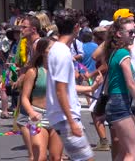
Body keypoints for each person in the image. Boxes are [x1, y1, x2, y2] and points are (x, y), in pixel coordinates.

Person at [46, 9, 94, 161]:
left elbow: (66, 87)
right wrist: (72, 122)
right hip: (66, 118)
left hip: (62, 117)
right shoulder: (62, 52)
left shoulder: (57, 50)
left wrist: (91, 88)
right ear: (76, 28)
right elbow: (60, 91)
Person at [104, 17, 135, 161]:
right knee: (132, 151)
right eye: (130, 32)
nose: (133, 35)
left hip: (115, 102)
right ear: (118, 34)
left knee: (123, 151)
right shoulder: (123, 53)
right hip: (120, 101)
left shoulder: (114, 53)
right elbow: (131, 83)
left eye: (134, 32)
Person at [18, 38, 63, 161]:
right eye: (50, 49)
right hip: (37, 117)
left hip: (57, 116)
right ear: (43, 52)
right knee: (40, 157)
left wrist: (92, 87)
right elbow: (25, 98)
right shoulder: (33, 72)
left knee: (56, 157)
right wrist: (31, 112)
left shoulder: (60, 71)